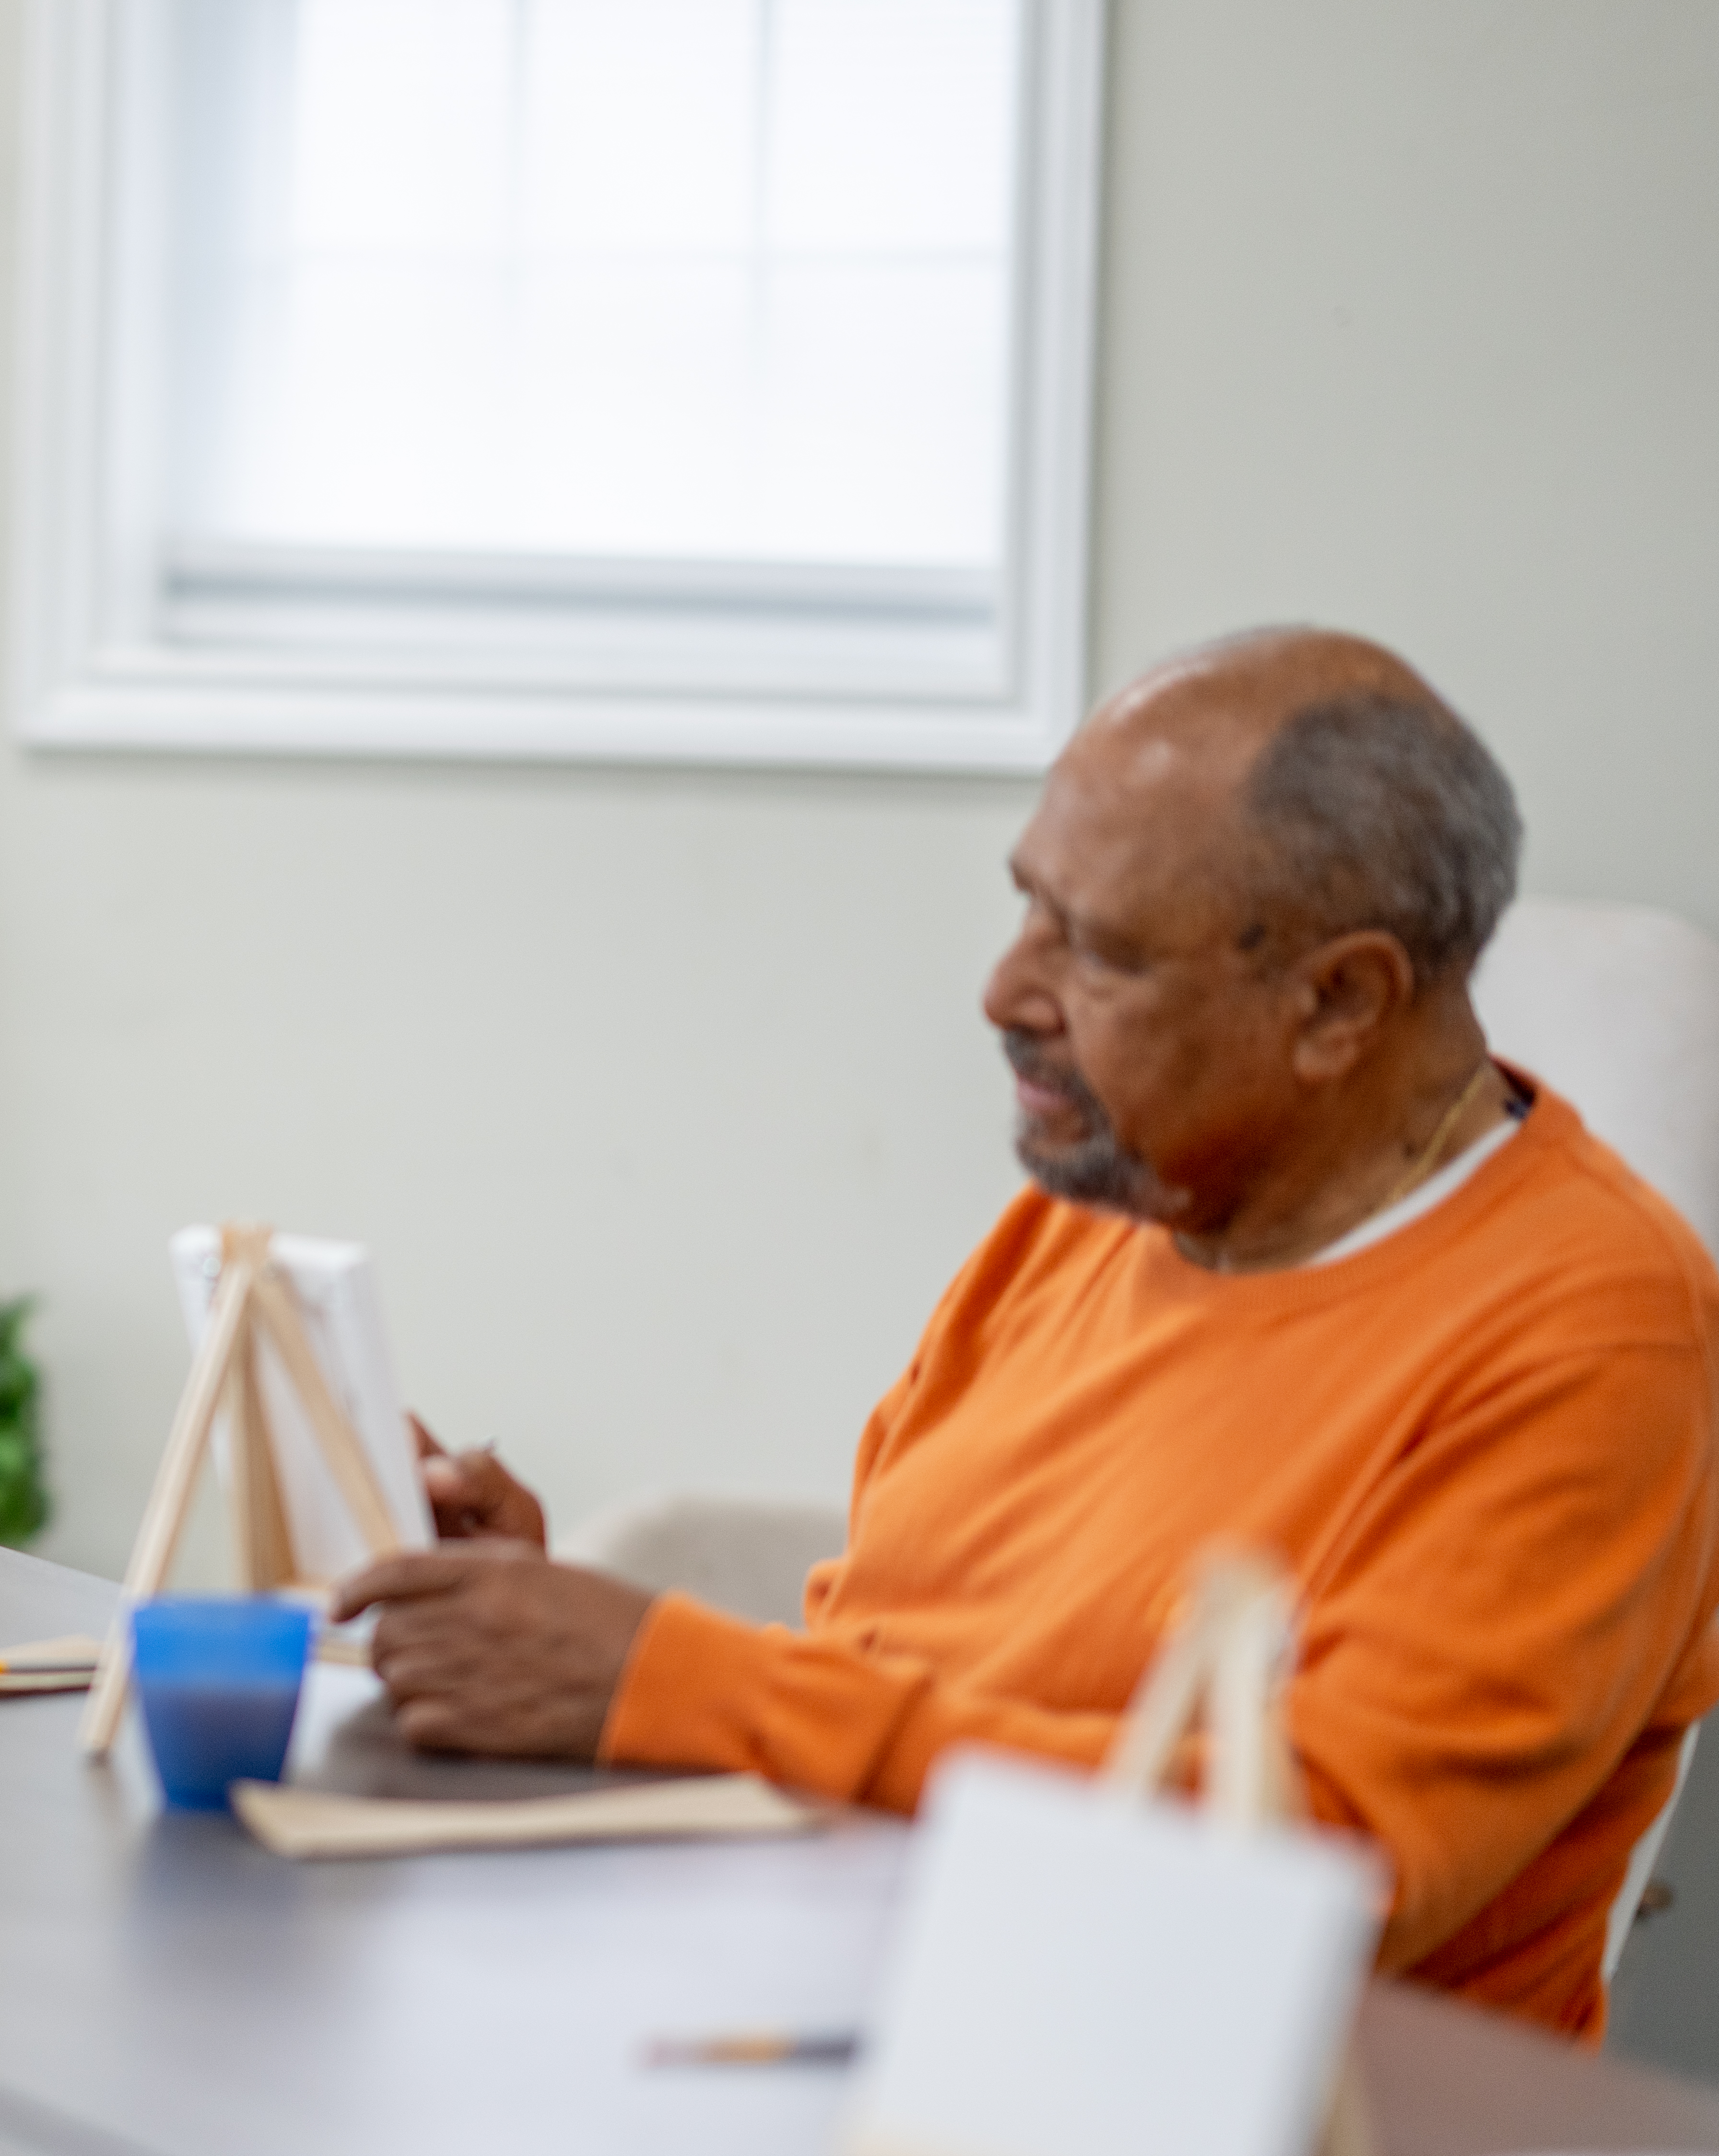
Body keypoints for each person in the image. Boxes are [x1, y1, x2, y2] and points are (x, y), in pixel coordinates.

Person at [336, 628, 1719, 2039]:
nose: (1006, 991)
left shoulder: (1601, 1339)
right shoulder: (1120, 1193)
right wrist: (560, 1639)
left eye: (1099, 950)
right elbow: (890, 1681)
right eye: (1028, 907)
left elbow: (1329, 1862)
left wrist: (678, 1686)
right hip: (871, 2024)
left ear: (1341, 1003)